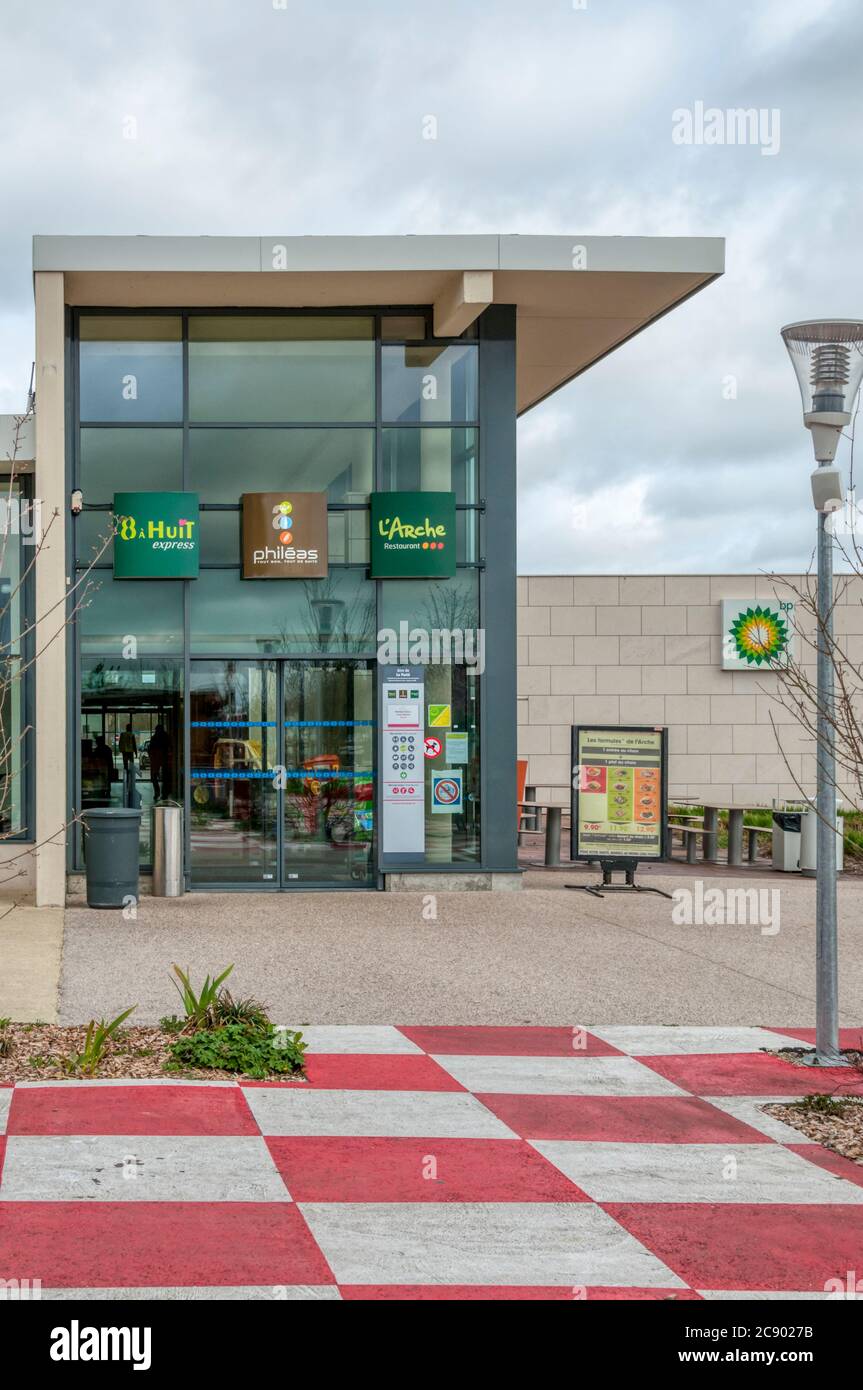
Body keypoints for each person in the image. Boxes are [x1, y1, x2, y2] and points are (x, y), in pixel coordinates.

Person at [149, 722, 170, 801]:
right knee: (165, 777)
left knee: (154, 777)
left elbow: (150, 749)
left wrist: (152, 757)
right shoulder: (166, 737)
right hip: (164, 759)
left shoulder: (154, 738)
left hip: (156, 759)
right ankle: (164, 793)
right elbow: (169, 747)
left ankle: (157, 792)